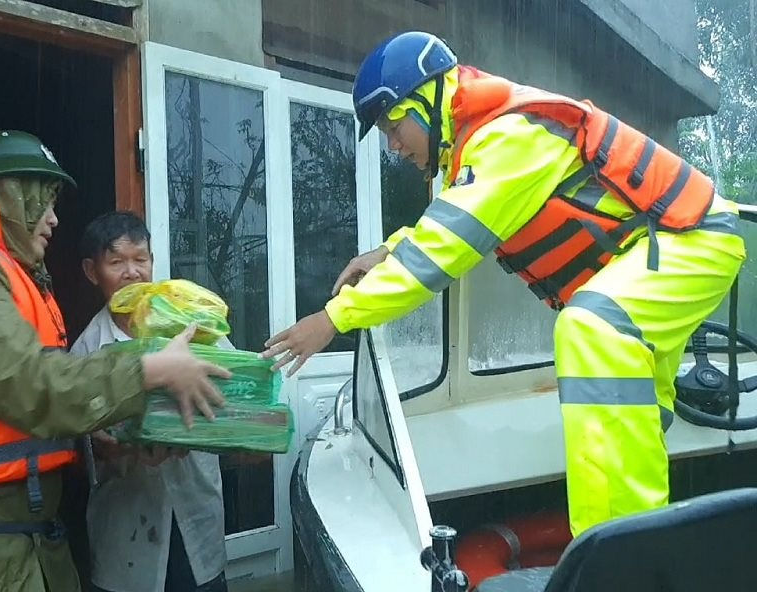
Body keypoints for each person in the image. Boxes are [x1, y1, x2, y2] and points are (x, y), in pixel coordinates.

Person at [262, 32, 746, 537]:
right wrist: (388, 250)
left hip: (689, 239)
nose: (393, 144)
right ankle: (645, 548)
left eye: (393, 123)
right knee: (637, 418)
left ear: (429, 101)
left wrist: (330, 320)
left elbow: (439, 253)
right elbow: (447, 222)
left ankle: (615, 557)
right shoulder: (484, 149)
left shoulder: (509, 136)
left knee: (592, 329)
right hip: (656, 249)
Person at [0, 130, 229, 592]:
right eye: (45, 201)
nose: (54, 220)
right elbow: (24, 383)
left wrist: (117, 442)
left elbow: (39, 413)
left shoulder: (4, 276)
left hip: (12, 545)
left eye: (141, 258)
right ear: (8, 195)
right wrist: (149, 370)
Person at [70, 211, 229, 592]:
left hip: (195, 512)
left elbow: (233, 395)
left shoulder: (194, 329)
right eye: (117, 262)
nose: (132, 273)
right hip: (126, 530)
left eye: (141, 260)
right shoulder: (86, 351)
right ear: (92, 272)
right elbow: (75, 442)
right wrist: (104, 447)